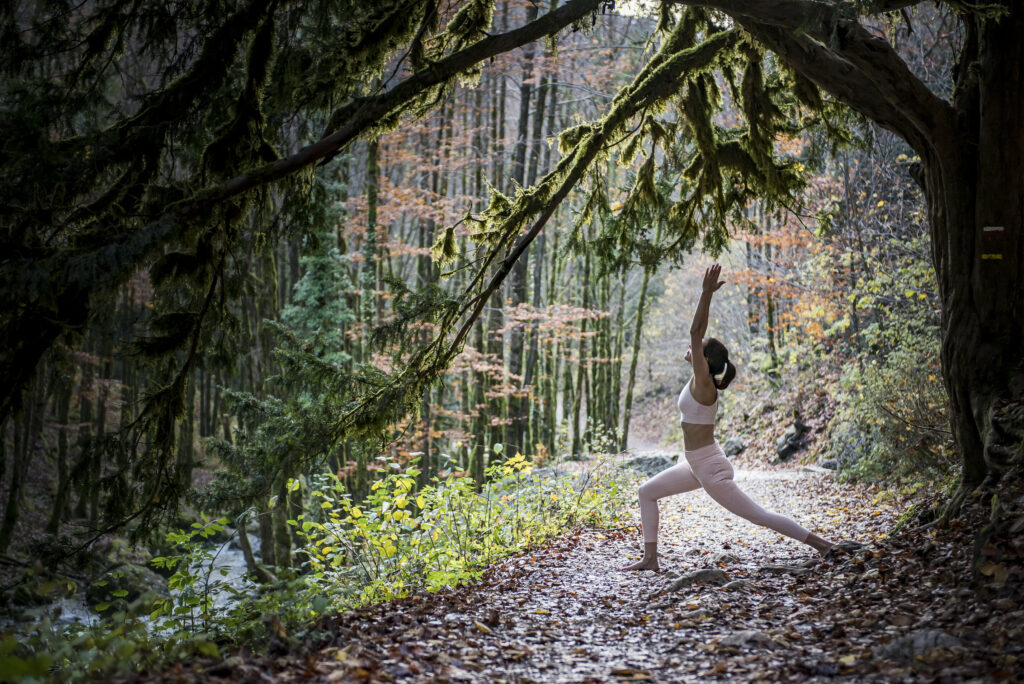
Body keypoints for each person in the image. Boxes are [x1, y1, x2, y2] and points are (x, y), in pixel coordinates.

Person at [621, 264, 842, 572]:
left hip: (709, 467)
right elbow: (696, 339)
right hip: (697, 464)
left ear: (706, 360)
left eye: (698, 349)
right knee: (646, 492)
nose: (692, 347)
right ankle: (650, 559)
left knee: (758, 515)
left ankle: (825, 546)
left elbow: (695, 330)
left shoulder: (704, 382)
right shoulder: (697, 381)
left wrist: (706, 293)